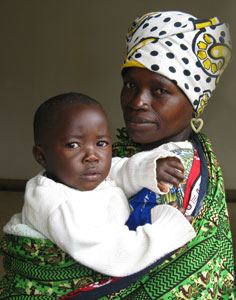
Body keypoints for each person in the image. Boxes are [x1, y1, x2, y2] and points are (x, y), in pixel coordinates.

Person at [61, 10, 234, 299]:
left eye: (159, 91)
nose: (137, 102)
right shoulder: (131, 149)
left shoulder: (173, 177)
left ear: (193, 105)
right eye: (131, 85)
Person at [0, 92, 195, 298]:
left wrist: (150, 168)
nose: (92, 156)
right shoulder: (59, 204)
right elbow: (113, 255)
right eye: (73, 145)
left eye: (101, 143)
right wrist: (167, 230)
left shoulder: (78, 174)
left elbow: (120, 170)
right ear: (42, 156)